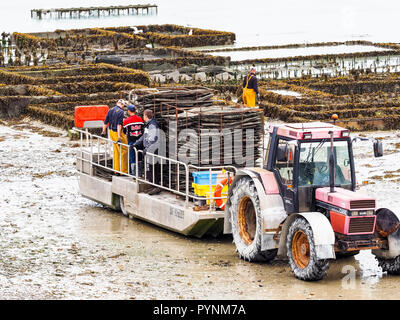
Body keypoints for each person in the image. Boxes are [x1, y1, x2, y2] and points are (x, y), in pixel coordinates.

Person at [133, 109, 161, 195]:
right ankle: (152, 186)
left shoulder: (152, 125)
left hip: (153, 150)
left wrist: (147, 149)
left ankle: (155, 187)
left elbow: (153, 139)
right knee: (149, 170)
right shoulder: (148, 125)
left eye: (143, 116)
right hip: (149, 150)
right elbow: (144, 137)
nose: (143, 117)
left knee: (152, 168)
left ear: (146, 116)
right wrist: (136, 143)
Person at [101, 99, 129, 174]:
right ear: (122, 105)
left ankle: (116, 170)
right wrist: (119, 137)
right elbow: (119, 125)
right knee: (124, 151)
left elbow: (105, 122)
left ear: (117, 103)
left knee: (116, 151)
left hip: (111, 132)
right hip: (117, 133)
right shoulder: (121, 112)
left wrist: (103, 132)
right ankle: (123, 171)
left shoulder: (110, 110)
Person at [123, 104, 144, 175]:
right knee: (140, 157)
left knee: (133, 158)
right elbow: (142, 130)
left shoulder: (126, 121)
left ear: (129, 111)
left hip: (131, 142)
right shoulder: (140, 119)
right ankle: (140, 173)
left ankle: (134, 174)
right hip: (140, 142)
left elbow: (124, 131)